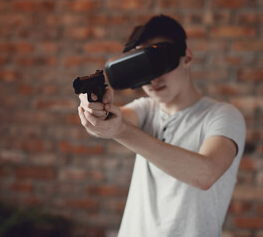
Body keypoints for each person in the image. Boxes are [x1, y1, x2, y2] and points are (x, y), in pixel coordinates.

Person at [77, 15, 246, 237]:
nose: (153, 80)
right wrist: (95, 110)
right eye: (144, 69)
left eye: (159, 65)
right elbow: (107, 121)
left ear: (187, 57)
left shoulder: (222, 116)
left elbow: (205, 174)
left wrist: (121, 132)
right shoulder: (146, 109)